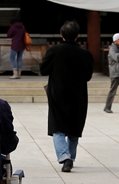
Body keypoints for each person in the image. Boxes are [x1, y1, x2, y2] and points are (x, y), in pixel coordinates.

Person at [40, 20, 94, 173]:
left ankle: (65, 157)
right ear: (77, 36)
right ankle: (70, 157)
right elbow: (88, 76)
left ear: (61, 35)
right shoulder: (85, 54)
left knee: (58, 128)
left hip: (58, 93)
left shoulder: (54, 51)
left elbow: (43, 70)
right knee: (74, 129)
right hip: (78, 95)